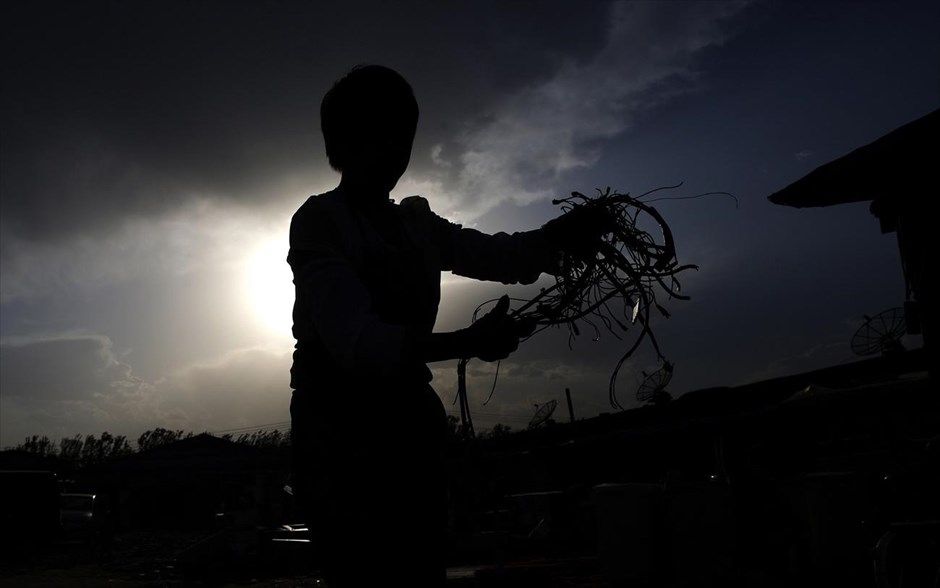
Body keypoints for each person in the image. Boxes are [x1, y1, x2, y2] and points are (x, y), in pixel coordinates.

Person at [287, 64, 606, 587]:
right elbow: (359, 344)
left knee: (420, 561)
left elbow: (499, 254)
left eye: (402, 138)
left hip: (408, 420)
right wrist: (468, 342)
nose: (394, 151)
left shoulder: (417, 224)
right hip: (340, 431)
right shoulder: (320, 221)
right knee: (361, 568)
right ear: (341, 145)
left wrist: (558, 236)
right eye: (379, 137)